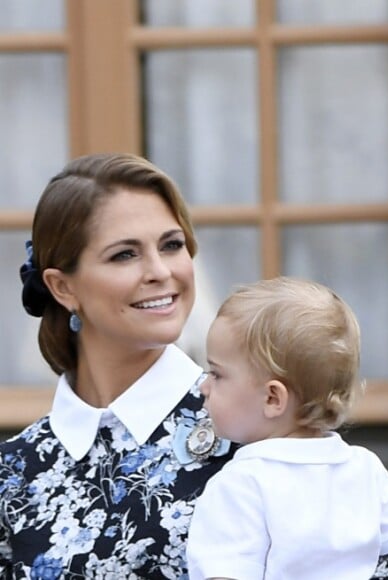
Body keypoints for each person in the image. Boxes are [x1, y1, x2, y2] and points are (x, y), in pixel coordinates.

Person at [0, 153, 235, 578]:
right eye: (125, 254)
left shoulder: (256, 427)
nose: (160, 271)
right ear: (62, 286)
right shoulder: (11, 476)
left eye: (172, 245)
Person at [187, 277, 388, 580]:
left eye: (216, 374)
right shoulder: (365, 468)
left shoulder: (240, 485)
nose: (203, 386)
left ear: (273, 398)